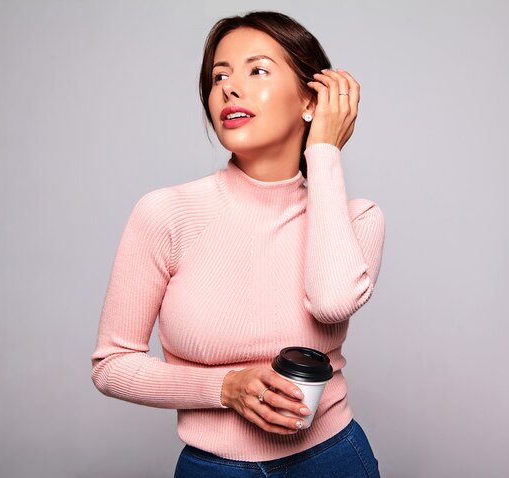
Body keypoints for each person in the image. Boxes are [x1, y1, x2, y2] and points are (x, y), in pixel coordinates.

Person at [92, 10, 385, 477]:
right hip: (214, 470)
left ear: (312, 100)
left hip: (332, 460)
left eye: (258, 69)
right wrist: (224, 387)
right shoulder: (166, 213)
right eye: (219, 76)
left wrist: (324, 152)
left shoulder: (356, 218)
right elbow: (111, 366)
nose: (229, 87)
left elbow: (330, 302)